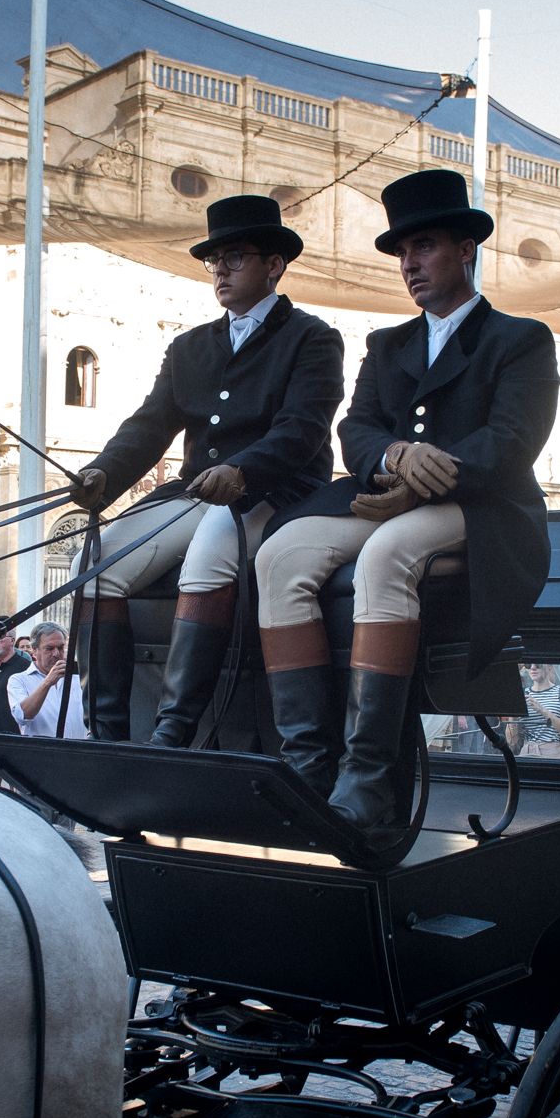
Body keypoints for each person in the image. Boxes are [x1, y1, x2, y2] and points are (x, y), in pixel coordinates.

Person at [252, 168, 560, 831]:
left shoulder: (520, 339)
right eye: (401, 251)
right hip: (387, 495)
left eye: (424, 246)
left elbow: (512, 441)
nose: (409, 264)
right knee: (279, 555)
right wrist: (394, 456)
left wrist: (424, 473)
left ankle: (367, 778)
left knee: (387, 554)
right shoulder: (387, 344)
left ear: (465, 250)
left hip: (484, 507)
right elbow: (356, 428)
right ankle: (308, 762)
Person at [66, 193, 347, 746]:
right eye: (214, 259)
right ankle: (107, 735)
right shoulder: (189, 347)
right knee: (91, 565)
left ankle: (173, 731)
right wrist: (104, 474)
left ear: (274, 265)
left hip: (274, 490)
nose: (220, 269)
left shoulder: (312, 338)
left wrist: (243, 471)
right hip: (195, 493)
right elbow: (150, 426)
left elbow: (303, 429)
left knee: (208, 555)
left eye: (234, 257)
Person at [7, 623, 89, 739]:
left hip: (79, 748)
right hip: (42, 750)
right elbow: (22, 716)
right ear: (34, 650)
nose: (56, 654)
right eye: (49, 649)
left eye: (60, 648)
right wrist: (47, 682)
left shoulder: (77, 677)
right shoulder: (19, 680)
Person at [510, 663, 560, 759]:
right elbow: (511, 741)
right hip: (526, 753)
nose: (533, 668)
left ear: (549, 667)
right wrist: (512, 714)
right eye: (528, 664)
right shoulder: (522, 695)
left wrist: (542, 710)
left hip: (554, 753)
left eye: (538, 664)